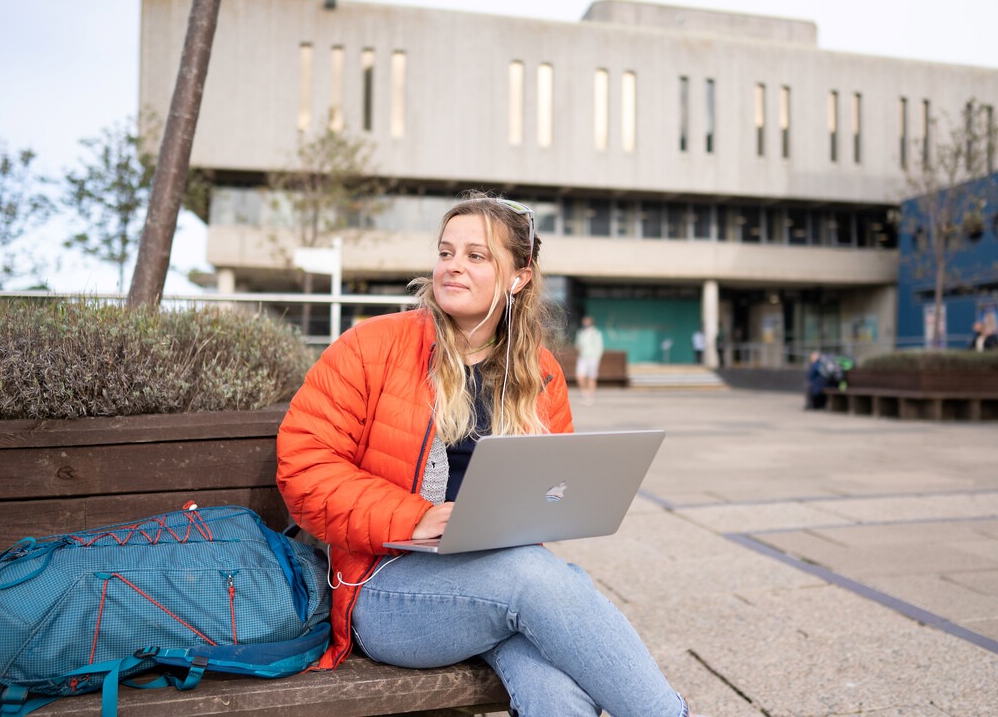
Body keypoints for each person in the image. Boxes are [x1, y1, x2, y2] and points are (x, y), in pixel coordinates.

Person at [276, 194, 699, 717]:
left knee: (556, 687)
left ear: (518, 277)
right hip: (382, 589)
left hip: (489, 586)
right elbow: (304, 468)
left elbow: (551, 491)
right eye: (446, 251)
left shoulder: (539, 373)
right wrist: (419, 515)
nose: (453, 265)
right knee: (538, 578)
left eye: (476, 256)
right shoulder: (371, 346)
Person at [574, 314, 605, 405]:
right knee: (579, 376)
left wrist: (597, 358)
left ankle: (590, 396)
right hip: (582, 357)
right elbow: (577, 345)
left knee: (592, 377)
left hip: (593, 358)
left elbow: (599, 347)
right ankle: (584, 393)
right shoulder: (580, 333)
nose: (586, 323)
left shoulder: (596, 333)